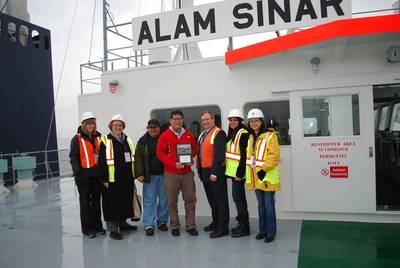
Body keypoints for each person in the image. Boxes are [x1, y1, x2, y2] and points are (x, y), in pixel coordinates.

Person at [156, 110, 198, 237]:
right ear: (170, 120)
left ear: (183, 120)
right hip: (171, 173)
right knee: (171, 201)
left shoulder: (189, 134)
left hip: (186, 173)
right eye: (175, 119)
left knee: (190, 200)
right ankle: (175, 226)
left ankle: (191, 226)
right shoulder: (165, 135)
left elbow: (194, 151)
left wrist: (191, 160)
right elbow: (160, 153)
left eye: (179, 119)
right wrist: (173, 164)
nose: (177, 121)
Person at [98, 114, 137, 240]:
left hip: (126, 177)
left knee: (124, 200)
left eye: (120, 125)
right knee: (112, 203)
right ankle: (113, 229)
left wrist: (133, 174)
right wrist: (104, 179)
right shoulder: (105, 140)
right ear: (111, 126)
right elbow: (102, 160)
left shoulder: (127, 139)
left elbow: (131, 157)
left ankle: (123, 223)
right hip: (111, 178)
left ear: (123, 126)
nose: (118, 127)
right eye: (115, 125)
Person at [245, 108, 281, 243]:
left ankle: (271, 232)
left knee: (269, 205)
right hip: (256, 177)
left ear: (261, 121)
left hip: (267, 177)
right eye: (251, 121)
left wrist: (264, 169)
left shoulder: (270, 136)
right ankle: (262, 230)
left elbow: (274, 155)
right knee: (260, 205)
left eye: (256, 120)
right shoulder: (250, 137)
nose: (254, 123)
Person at [69, 112, 105, 238]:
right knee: (85, 203)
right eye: (88, 123)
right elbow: (73, 157)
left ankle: (97, 226)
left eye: (92, 123)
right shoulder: (77, 139)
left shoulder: (99, 138)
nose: (91, 125)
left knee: (96, 202)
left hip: (97, 175)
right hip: (84, 176)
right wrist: (77, 172)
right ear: (84, 124)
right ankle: (87, 228)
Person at [197, 111, 229, 238]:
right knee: (212, 200)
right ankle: (216, 223)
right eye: (203, 120)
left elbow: (219, 154)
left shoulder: (219, 133)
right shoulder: (202, 135)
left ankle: (223, 228)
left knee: (220, 201)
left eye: (207, 119)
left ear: (213, 120)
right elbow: (200, 154)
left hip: (215, 172)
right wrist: (200, 171)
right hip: (205, 172)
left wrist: (214, 172)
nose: (205, 122)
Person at [135, 119, 169, 236]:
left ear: (159, 128)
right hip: (150, 176)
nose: (152, 129)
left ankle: (162, 222)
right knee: (149, 200)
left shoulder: (165, 138)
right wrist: (139, 173)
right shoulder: (142, 141)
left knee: (165, 200)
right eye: (150, 127)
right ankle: (149, 224)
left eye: (155, 127)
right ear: (147, 128)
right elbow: (138, 157)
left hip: (165, 175)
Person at [225, 109, 250, 237]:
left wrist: (239, 174)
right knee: (238, 199)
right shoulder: (233, 133)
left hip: (239, 175)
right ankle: (241, 224)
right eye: (231, 120)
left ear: (240, 121)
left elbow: (244, 156)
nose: (232, 122)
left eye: (235, 120)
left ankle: (244, 227)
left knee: (239, 199)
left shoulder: (243, 133)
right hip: (233, 174)